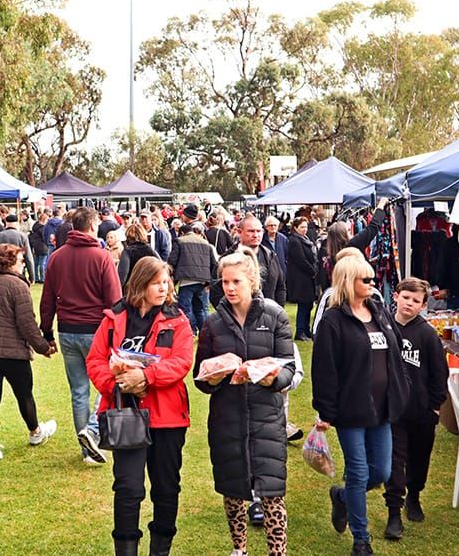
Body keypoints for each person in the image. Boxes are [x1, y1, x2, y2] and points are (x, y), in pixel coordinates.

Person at [85, 257, 194, 556]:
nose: (164, 287)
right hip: (125, 414)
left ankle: (160, 551)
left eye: (166, 282)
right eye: (156, 282)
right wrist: (116, 383)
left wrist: (146, 376)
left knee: (166, 488)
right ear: (140, 283)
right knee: (128, 489)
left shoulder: (177, 318)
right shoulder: (114, 318)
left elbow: (182, 361)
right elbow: (95, 360)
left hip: (167, 417)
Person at [194, 249, 295, 556]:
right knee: (234, 490)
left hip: (266, 417)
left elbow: (289, 368)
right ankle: (239, 550)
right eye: (224, 281)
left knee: (272, 493)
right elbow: (200, 375)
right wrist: (211, 378)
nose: (229, 287)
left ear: (252, 280)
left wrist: (271, 378)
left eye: (236, 280)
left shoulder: (275, 316)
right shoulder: (212, 323)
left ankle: (277, 551)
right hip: (228, 417)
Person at [312, 255, 410, 555]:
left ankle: (342, 497)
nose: (371, 283)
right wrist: (325, 410)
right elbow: (325, 369)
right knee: (358, 471)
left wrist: (402, 386)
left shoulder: (378, 310)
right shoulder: (333, 320)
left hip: (383, 407)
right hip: (350, 408)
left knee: (380, 471)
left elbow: (394, 353)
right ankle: (361, 538)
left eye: (371, 279)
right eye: (364, 279)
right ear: (347, 281)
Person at [40, 206, 122, 465]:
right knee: (106, 384)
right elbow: (114, 299)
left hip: (67, 329)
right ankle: (92, 432)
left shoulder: (57, 257)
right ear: (92, 226)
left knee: (79, 390)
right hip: (96, 330)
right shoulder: (101, 257)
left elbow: (47, 298)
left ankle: (87, 448)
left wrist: (47, 331)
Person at [0, 244, 56, 464]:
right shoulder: (18, 286)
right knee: (25, 395)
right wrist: (44, 347)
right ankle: (35, 431)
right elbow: (27, 325)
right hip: (13, 354)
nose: (23, 264)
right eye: (20, 260)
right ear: (9, 262)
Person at [381, 278, 448, 541]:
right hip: (391, 411)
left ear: (422, 306)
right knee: (394, 462)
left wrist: (434, 406)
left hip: (421, 411)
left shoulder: (428, 335)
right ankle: (393, 512)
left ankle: (415, 496)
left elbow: (439, 374)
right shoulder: (383, 327)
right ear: (396, 296)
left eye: (416, 301)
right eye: (405, 297)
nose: (409, 304)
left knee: (419, 459)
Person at [210, 215, 286, 308]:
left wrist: (277, 311)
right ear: (239, 232)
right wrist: (232, 315)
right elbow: (215, 293)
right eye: (251, 231)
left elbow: (280, 286)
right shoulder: (227, 260)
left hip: (267, 315)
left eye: (258, 231)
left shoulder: (270, 256)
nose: (255, 235)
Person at [317, 200, 390, 292]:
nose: (351, 232)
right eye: (348, 230)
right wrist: (381, 204)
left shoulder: (327, 252)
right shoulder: (353, 245)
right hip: (354, 291)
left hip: (337, 292)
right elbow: (372, 228)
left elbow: (323, 279)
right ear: (342, 235)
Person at [167, 222, 218, 335]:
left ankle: (189, 331)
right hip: (202, 280)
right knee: (200, 309)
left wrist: (171, 277)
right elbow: (214, 264)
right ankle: (206, 332)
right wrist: (209, 281)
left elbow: (172, 261)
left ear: (182, 232)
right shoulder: (206, 243)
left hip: (186, 279)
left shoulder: (179, 241)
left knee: (185, 308)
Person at [286, 217, 318, 341]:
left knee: (309, 304)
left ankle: (306, 329)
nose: (305, 230)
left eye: (306, 227)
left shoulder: (306, 239)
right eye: (302, 227)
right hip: (301, 279)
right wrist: (313, 271)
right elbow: (301, 260)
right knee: (303, 305)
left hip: (307, 278)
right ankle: (300, 331)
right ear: (295, 228)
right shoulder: (294, 241)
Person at [0, 215, 35, 280]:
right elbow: (28, 257)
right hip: (18, 271)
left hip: (2, 271)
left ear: (6, 223)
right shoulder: (22, 236)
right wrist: (32, 276)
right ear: (17, 223)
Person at [118, 222, 159, 287]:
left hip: (133, 289)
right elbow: (160, 267)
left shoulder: (127, 251)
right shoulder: (150, 250)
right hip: (148, 286)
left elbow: (122, 277)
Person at [30, 211, 51, 283]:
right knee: (42, 263)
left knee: (36, 264)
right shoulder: (43, 228)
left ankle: (36, 277)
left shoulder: (35, 227)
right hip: (43, 246)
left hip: (35, 246)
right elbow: (44, 237)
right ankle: (42, 278)